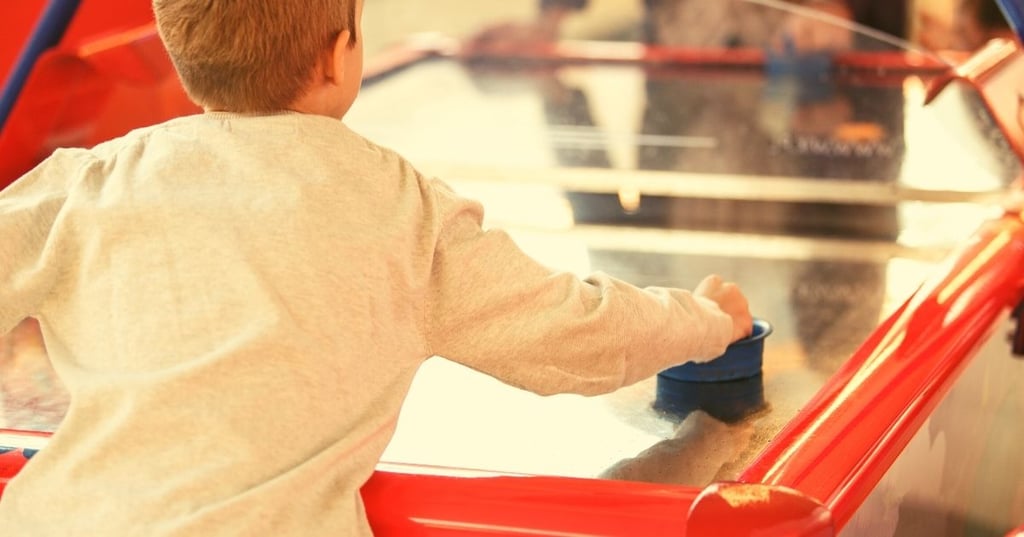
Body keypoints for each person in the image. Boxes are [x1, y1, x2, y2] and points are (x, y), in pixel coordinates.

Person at [0, 0, 753, 535]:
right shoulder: (402, 208)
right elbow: (578, 336)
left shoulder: (91, 180)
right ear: (339, 53)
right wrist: (707, 320)